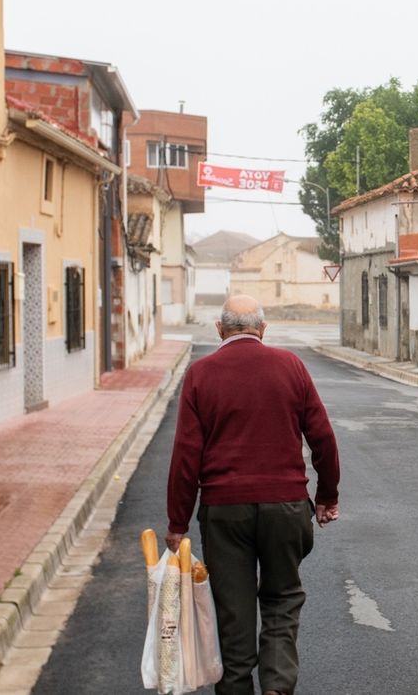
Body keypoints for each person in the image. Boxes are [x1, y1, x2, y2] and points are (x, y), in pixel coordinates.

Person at [166, 295, 340, 695]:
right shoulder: (290, 366)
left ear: (219, 329)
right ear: (263, 329)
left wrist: (177, 524)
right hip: (286, 507)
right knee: (281, 600)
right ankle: (277, 688)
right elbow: (323, 438)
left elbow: (185, 456)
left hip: (224, 512)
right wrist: (327, 496)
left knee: (234, 612)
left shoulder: (200, 374)